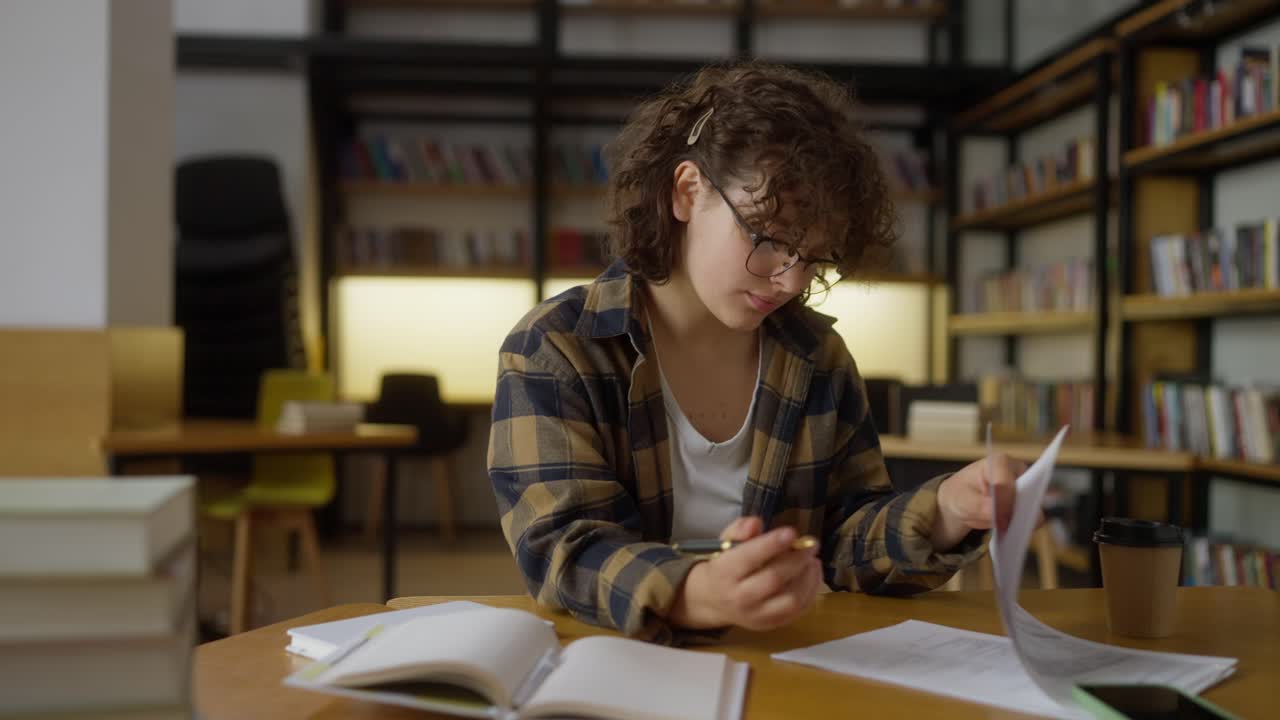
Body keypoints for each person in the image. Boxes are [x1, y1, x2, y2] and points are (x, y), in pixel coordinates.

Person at [488, 62, 1023, 644]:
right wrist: (698, 592)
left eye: (814, 258)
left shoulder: (818, 355)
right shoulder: (559, 347)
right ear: (687, 192)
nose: (790, 281)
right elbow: (563, 549)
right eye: (768, 240)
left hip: (779, 658)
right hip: (611, 661)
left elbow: (843, 539)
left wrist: (947, 511)